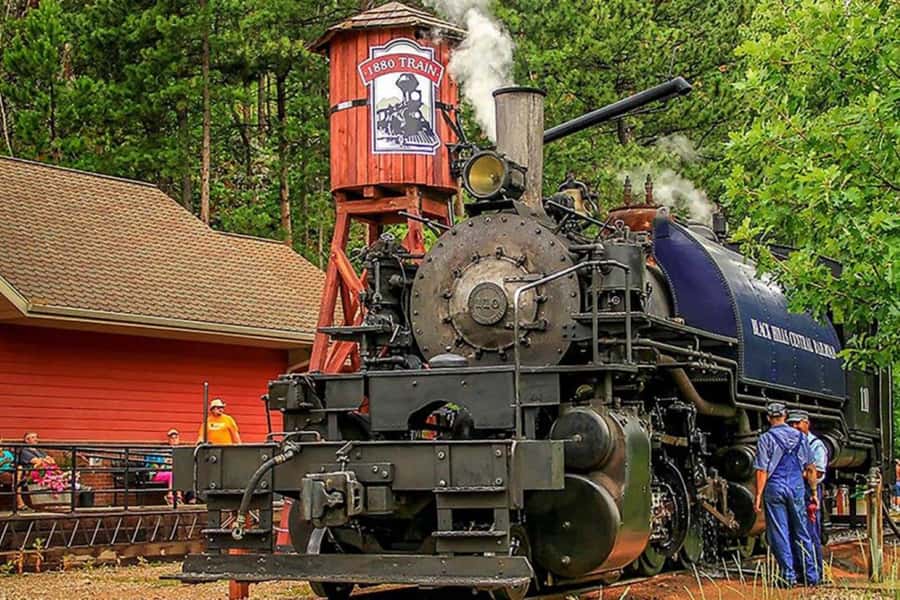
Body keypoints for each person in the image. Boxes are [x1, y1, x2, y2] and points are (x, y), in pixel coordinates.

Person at [754, 402, 820, 587]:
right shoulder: (801, 437)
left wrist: (758, 495)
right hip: (797, 486)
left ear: (768, 418)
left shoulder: (765, 438)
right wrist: (813, 492)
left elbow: (761, 470)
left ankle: (788, 577)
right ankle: (811, 576)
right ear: (785, 416)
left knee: (779, 532)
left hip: (774, 487)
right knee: (802, 531)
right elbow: (811, 468)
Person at [788, 409, 827, 581]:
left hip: (808, 490)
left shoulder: (815, 445)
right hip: (795, 489)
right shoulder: (790, 444)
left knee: (811, 533)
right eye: (792, 423)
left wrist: (795, 472)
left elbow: (817, 473)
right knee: (794, 532)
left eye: (798, 423)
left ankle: (816, 573)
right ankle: (801, 571)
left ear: (807, 423)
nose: (795, 426)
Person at [146, 429, 189, 505]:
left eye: (176, 437)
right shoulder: (163, 451)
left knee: (179, 473)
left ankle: (179, 497)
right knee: (173, 474)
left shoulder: (182, 451)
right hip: (162, 473)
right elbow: (157, 466)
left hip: (177, 474)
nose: (174, 439)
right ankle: (171, 496)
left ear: (179, 439)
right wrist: (166, 462)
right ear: (169, 440)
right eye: (172, 438)